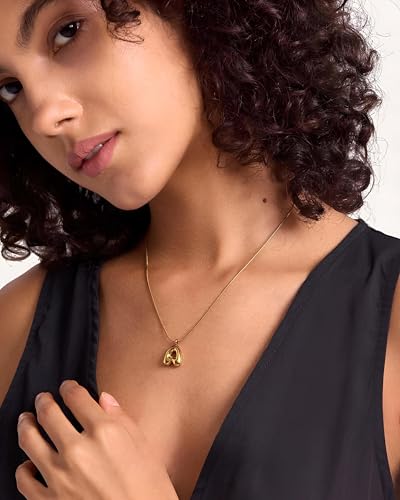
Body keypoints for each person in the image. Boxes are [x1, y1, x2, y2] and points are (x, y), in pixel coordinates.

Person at [0, 0, 399, 498]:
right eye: (10, 87)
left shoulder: (389, 319)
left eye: (68, 31)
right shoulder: (15, 327)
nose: (44, 116)